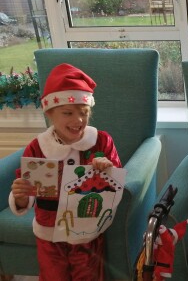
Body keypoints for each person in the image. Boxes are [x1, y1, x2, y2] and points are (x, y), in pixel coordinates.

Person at [9, 63, 122, 281]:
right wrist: (21, 197)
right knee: (53, 276)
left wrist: (107, 166)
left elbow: (116, 183)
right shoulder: (38, 147)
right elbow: (28, 192)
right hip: (48, 233)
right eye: (68, 113)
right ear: (50, 113)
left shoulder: (101, 141)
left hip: (86, 231)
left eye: (84, 112)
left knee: (88, 276)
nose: (78, 120)